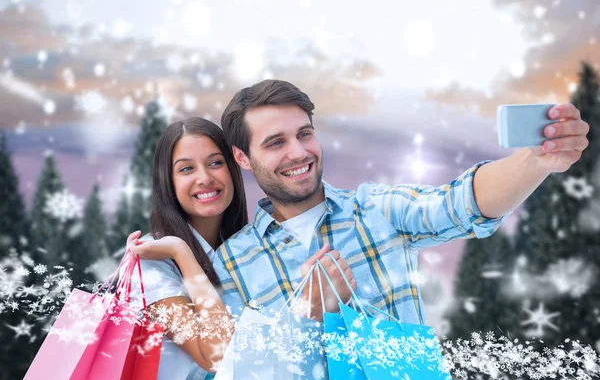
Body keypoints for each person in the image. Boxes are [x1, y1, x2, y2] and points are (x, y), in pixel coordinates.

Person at [214, 79, 590, 325]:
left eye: (305, 134)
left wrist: (535, 161)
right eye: (276, 142)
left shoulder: (376, 210)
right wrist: (305, 315)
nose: (299, 152)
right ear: (243, 158)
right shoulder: (230, 265)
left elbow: (459, 203)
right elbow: (236, 377)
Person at [125, 116, 354, 380]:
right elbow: (215, 355)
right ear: (167, 182)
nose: (205, 178)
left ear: (234, 169)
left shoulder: (248, 252)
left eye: (215, 162)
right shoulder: (154, 262)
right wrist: (182, 253)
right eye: (186, 169)